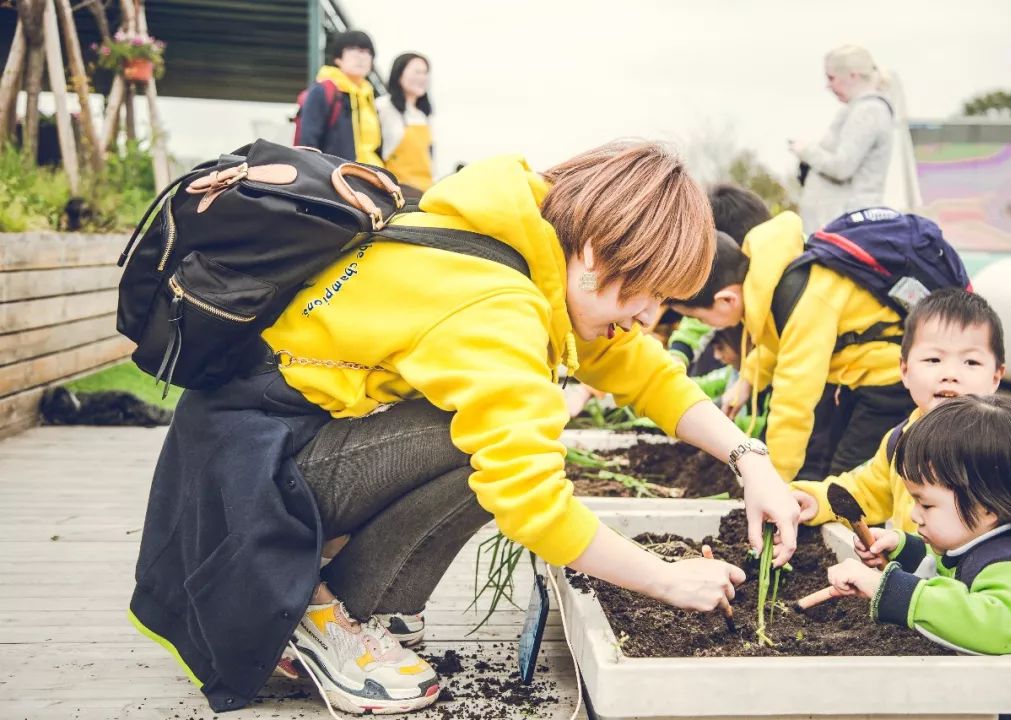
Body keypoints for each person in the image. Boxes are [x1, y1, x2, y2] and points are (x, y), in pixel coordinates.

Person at [130, 141, 801, 717]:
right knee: (482, 444)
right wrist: (664, 579)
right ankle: (320, 613)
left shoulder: (525, 242)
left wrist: (749, 458)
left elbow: (637, 368)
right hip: (251, 474)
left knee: (489, 434)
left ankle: (365, 605)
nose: (648, 317)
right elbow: (532, 503)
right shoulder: (497, 306)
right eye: (645, 294)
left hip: (256, 444)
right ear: (595, 252)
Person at [826, 394, 1011, 720]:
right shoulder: (998, 539)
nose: (915, 516)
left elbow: (990, 623)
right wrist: (905, 550)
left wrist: (888, 590)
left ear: (988, 505)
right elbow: (956, 572)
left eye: (926, 504)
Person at [669, 185, 915, 482]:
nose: (705, 326)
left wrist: (772, 480)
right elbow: (777, 344)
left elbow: (792, 403)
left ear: (726, 300)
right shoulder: (769, 280)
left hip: (885, 380)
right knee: (822, 469)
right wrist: (746, 381)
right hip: (853, 378)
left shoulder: (800, 300)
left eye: (698, 317)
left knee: (847, 476)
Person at [791, 288, 1011, 532]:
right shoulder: (900, 438)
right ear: (904, 370)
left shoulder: (997, 440)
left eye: (971, 363)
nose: (950, 373)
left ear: (996, 376)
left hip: (976, 590)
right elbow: (866, 490)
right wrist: (817, 499)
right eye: (932, 359)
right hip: (917, 581)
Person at [790, 44, 894, 232]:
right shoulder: (860, 110)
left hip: (846, 229)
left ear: (853, 75)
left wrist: (806, 151)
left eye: (831, 78)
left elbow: (842, 167)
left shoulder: (868, 111)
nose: (828, 86)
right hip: (840, 227)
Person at [297, 30, 383, 166]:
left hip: (368, 176)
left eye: (366, 52)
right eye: (352, 49)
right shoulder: (323, 90)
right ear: (338, 58)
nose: (361, 57)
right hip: (333, 177)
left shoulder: (368, 97)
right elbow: (307, 144)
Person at [377, 52, 435, 193]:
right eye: (416, 72)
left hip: (425, 192)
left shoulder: (424, 115)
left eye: (425, 72)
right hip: (394, 192)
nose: (422, 77)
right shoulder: (382, 107)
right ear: (399, 74)